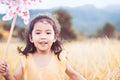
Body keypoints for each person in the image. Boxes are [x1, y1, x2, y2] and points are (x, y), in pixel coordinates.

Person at [0, 14, 87, 80]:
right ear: (31, 38)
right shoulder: (26, 58)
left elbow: (73, 74)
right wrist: (7, 74)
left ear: (55, 37)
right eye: (38, 33)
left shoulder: (60, 57)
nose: (43, 36)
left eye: (48, 33)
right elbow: (15, 78)